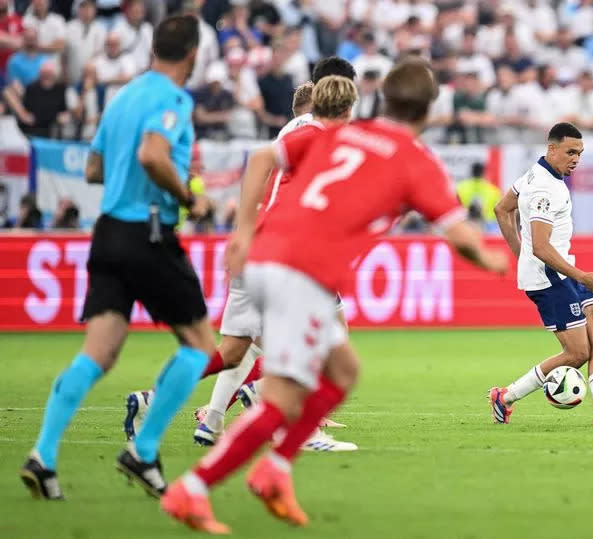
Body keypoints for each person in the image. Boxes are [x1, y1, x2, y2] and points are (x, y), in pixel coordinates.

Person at [160, 59, 508, 533]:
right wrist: (494, 261)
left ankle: (273, 469)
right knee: (283, 397)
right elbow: (461, 236)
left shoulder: (339, 132)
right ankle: (195, 489)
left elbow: (263, 158)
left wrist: (241, 233)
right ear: (429, 109)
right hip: (298, 272)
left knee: (342, 369)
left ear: (382, 99)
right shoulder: (412, 157)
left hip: (268, 256)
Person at [19, 14, 217, 501]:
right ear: (191, 54)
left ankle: (43, 457)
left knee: (99, 352)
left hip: (107, 232)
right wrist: (189, 199)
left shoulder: (123, 96)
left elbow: (93, 168)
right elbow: (153, 155)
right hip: (147, 233)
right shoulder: (172, 99)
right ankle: (143, 450)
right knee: (199, 345)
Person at [123, 58, 360, 455]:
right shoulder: (318, 133)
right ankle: (279, 410)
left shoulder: (296, 130)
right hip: (285, 251)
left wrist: (245, 232)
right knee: (320, 342)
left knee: (235, 349)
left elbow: (271, 174)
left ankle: (153, 401)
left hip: (259, 247)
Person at [489, 122, 593, 427]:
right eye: (571, 152)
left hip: (562, 271)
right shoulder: (544, 188)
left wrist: (521, 254)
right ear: (552, 149)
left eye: (580, 153)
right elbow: (542, 247)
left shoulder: (537, 174)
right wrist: (581, 276)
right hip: (550, 279)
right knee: (577, 353)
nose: (576, 159)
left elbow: (502, 208)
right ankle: (504, 397)